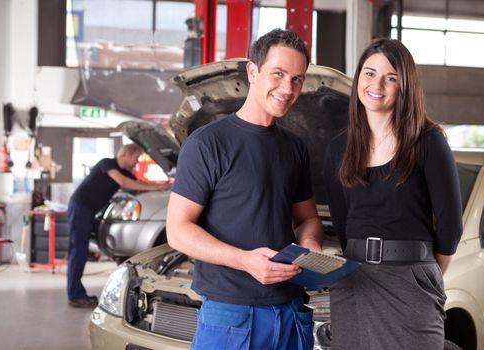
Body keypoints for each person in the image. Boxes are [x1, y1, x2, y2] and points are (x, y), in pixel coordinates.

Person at [166, 28, 324, 350]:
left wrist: (311, 249)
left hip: (291, 310)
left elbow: (307, 218)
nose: (287, 88)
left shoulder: (295, 148)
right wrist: (245, 260)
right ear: (252, 71)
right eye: (278, 74)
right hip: (231, 315)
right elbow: (178, 231)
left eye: (297, 79)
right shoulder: (207, 144)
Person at [323, 38, 463, 349]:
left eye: (391, 77)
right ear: (359, 77)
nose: (377, 84)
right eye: (369, 73)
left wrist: (423, 275)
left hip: (410, 280)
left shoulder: (428, 142)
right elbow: (342, 225)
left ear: (405, 86)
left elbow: (451, 226)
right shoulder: (338, 149)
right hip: (354, 281)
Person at [67, 143, 169, 308]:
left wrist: (163, 186)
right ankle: (75, 296)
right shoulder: (107, 163)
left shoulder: (123, 172)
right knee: (78, 251)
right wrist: (157, 186)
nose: (136, 162)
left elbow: (140, 184)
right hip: (80, 207)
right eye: (136, 158)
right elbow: (124, 182)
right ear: (127, 154)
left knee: (80, 251)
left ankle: (77, 294)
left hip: (89, 211)